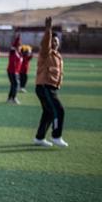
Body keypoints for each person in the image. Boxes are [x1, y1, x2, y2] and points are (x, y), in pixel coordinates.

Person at [34, 17, 67, 147]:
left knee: (48, 112)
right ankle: (56, 136)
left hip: (50, 87)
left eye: (57, 41)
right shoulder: (45, 53)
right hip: (44, 87)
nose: (55, 43)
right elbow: (45, 43)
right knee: (59, 110)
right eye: (53, 41)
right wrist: (48, 30)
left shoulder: (57, 56)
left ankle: (39, 138)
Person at [7, 34, 22, 104]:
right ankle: (14, 98)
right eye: (19, 46)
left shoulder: (18, 53)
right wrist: (18, 37)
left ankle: (10, 98)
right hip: (12, 71)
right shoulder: (13, 52)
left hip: (15, 71)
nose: (20, 47)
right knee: (15, 84)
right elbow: (14, 45)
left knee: (13, 84)